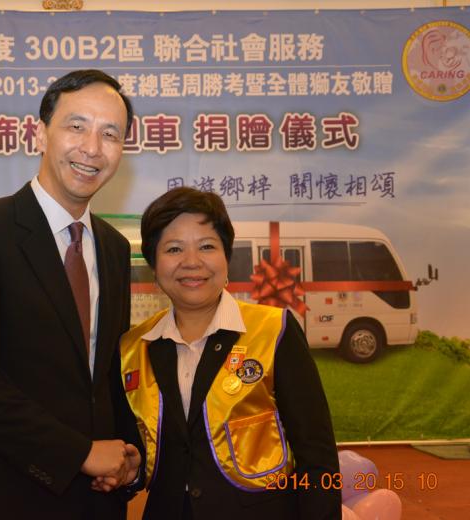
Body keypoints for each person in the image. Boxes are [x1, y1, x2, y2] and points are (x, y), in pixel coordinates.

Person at [0, 70, 142, 519]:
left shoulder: (114, 248)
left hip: (96, 501)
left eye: (110, 134)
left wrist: (129, 455)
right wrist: (78, 453)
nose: (92, 148)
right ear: (40, 134)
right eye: (76, 126)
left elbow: (107, 374)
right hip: (2, 494)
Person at [120, 187, 341, 519]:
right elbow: (139, 453)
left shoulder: (274, 330)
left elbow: (317, 456)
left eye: (207, 246)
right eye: (174, 248)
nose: (191, 262)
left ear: (227, 257)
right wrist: (132, 471)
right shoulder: (133, 347)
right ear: (154, 265)